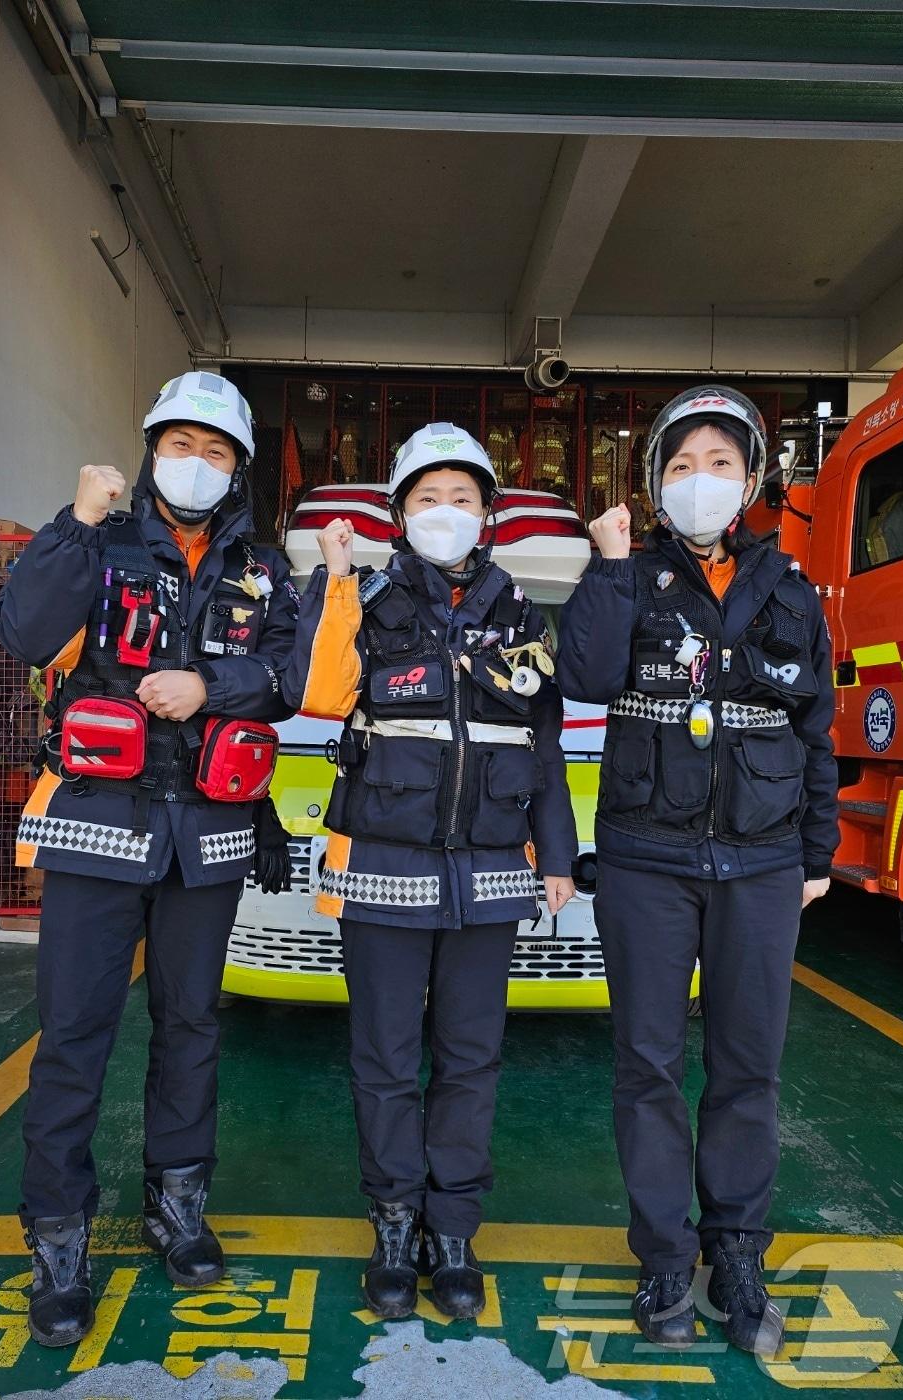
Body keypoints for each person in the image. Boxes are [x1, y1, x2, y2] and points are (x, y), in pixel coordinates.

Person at [0, 372, 299, 1348]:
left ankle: (178, 1206)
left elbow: (289, 676)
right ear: (153, 447)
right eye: (182, 443)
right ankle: (58, 1241)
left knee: (192, 1023)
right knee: (75, 1031)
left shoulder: (262, 568)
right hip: (98, 823)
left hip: (205, 832)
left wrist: (211, 684)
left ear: (238, 467)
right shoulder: (106, 539)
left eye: (217, 450)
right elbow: (28, 631)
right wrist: (77, 520)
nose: (196, 463)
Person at [556, 386, 837, 1357]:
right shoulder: (628, 581)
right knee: (647, 1063)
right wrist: (603, 558)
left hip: (761, 861)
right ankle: (665, 1255)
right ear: (654, 484)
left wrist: (817, 854)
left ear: (754, 480)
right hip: (646, 856)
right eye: (683, 465)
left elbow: (819, 733)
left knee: (747, 1066)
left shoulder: (792, 593)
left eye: (722, 463)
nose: (702, 482)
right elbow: (585, 675)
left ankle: (737, 1251)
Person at [283, 423, 577, 1321]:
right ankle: (393, 1222)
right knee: (382, 1058)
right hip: (382, 868)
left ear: (486, 514)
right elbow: (315, 691)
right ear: (399, 515)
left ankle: (453, 1232)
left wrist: (556, 857)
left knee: (471, 1059)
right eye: (425, 499)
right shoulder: (364, 598)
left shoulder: (521, 615)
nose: (443, 514)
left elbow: (545, 744)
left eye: (461, 499)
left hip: (490, 874)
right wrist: (332, 579)